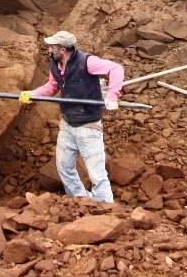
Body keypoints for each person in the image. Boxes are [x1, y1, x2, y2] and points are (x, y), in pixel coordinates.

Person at [21, 30, 124, 203]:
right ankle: (81, 202)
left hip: (88, 126)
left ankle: (107, 211)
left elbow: (116, 69)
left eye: (52, 47)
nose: (49, 50)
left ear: (63, 49)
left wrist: (112, 96)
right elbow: (52, 86)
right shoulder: (55, 64)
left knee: (97, 174)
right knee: (64, 167)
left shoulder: (87, 62)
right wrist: (33, 94)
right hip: (67, 124)